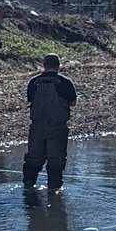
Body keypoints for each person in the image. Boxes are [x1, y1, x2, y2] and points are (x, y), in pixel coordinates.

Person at [23, 52, 77, 191]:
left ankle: (29, 189)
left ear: (44, 65)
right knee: (56, 162)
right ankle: (54, 192)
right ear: (59, 65)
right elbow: (73, 103)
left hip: (36, 128)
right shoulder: (65, 82)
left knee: (33, 159)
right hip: (57, 128)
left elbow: (30, 100)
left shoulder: (33, 82)